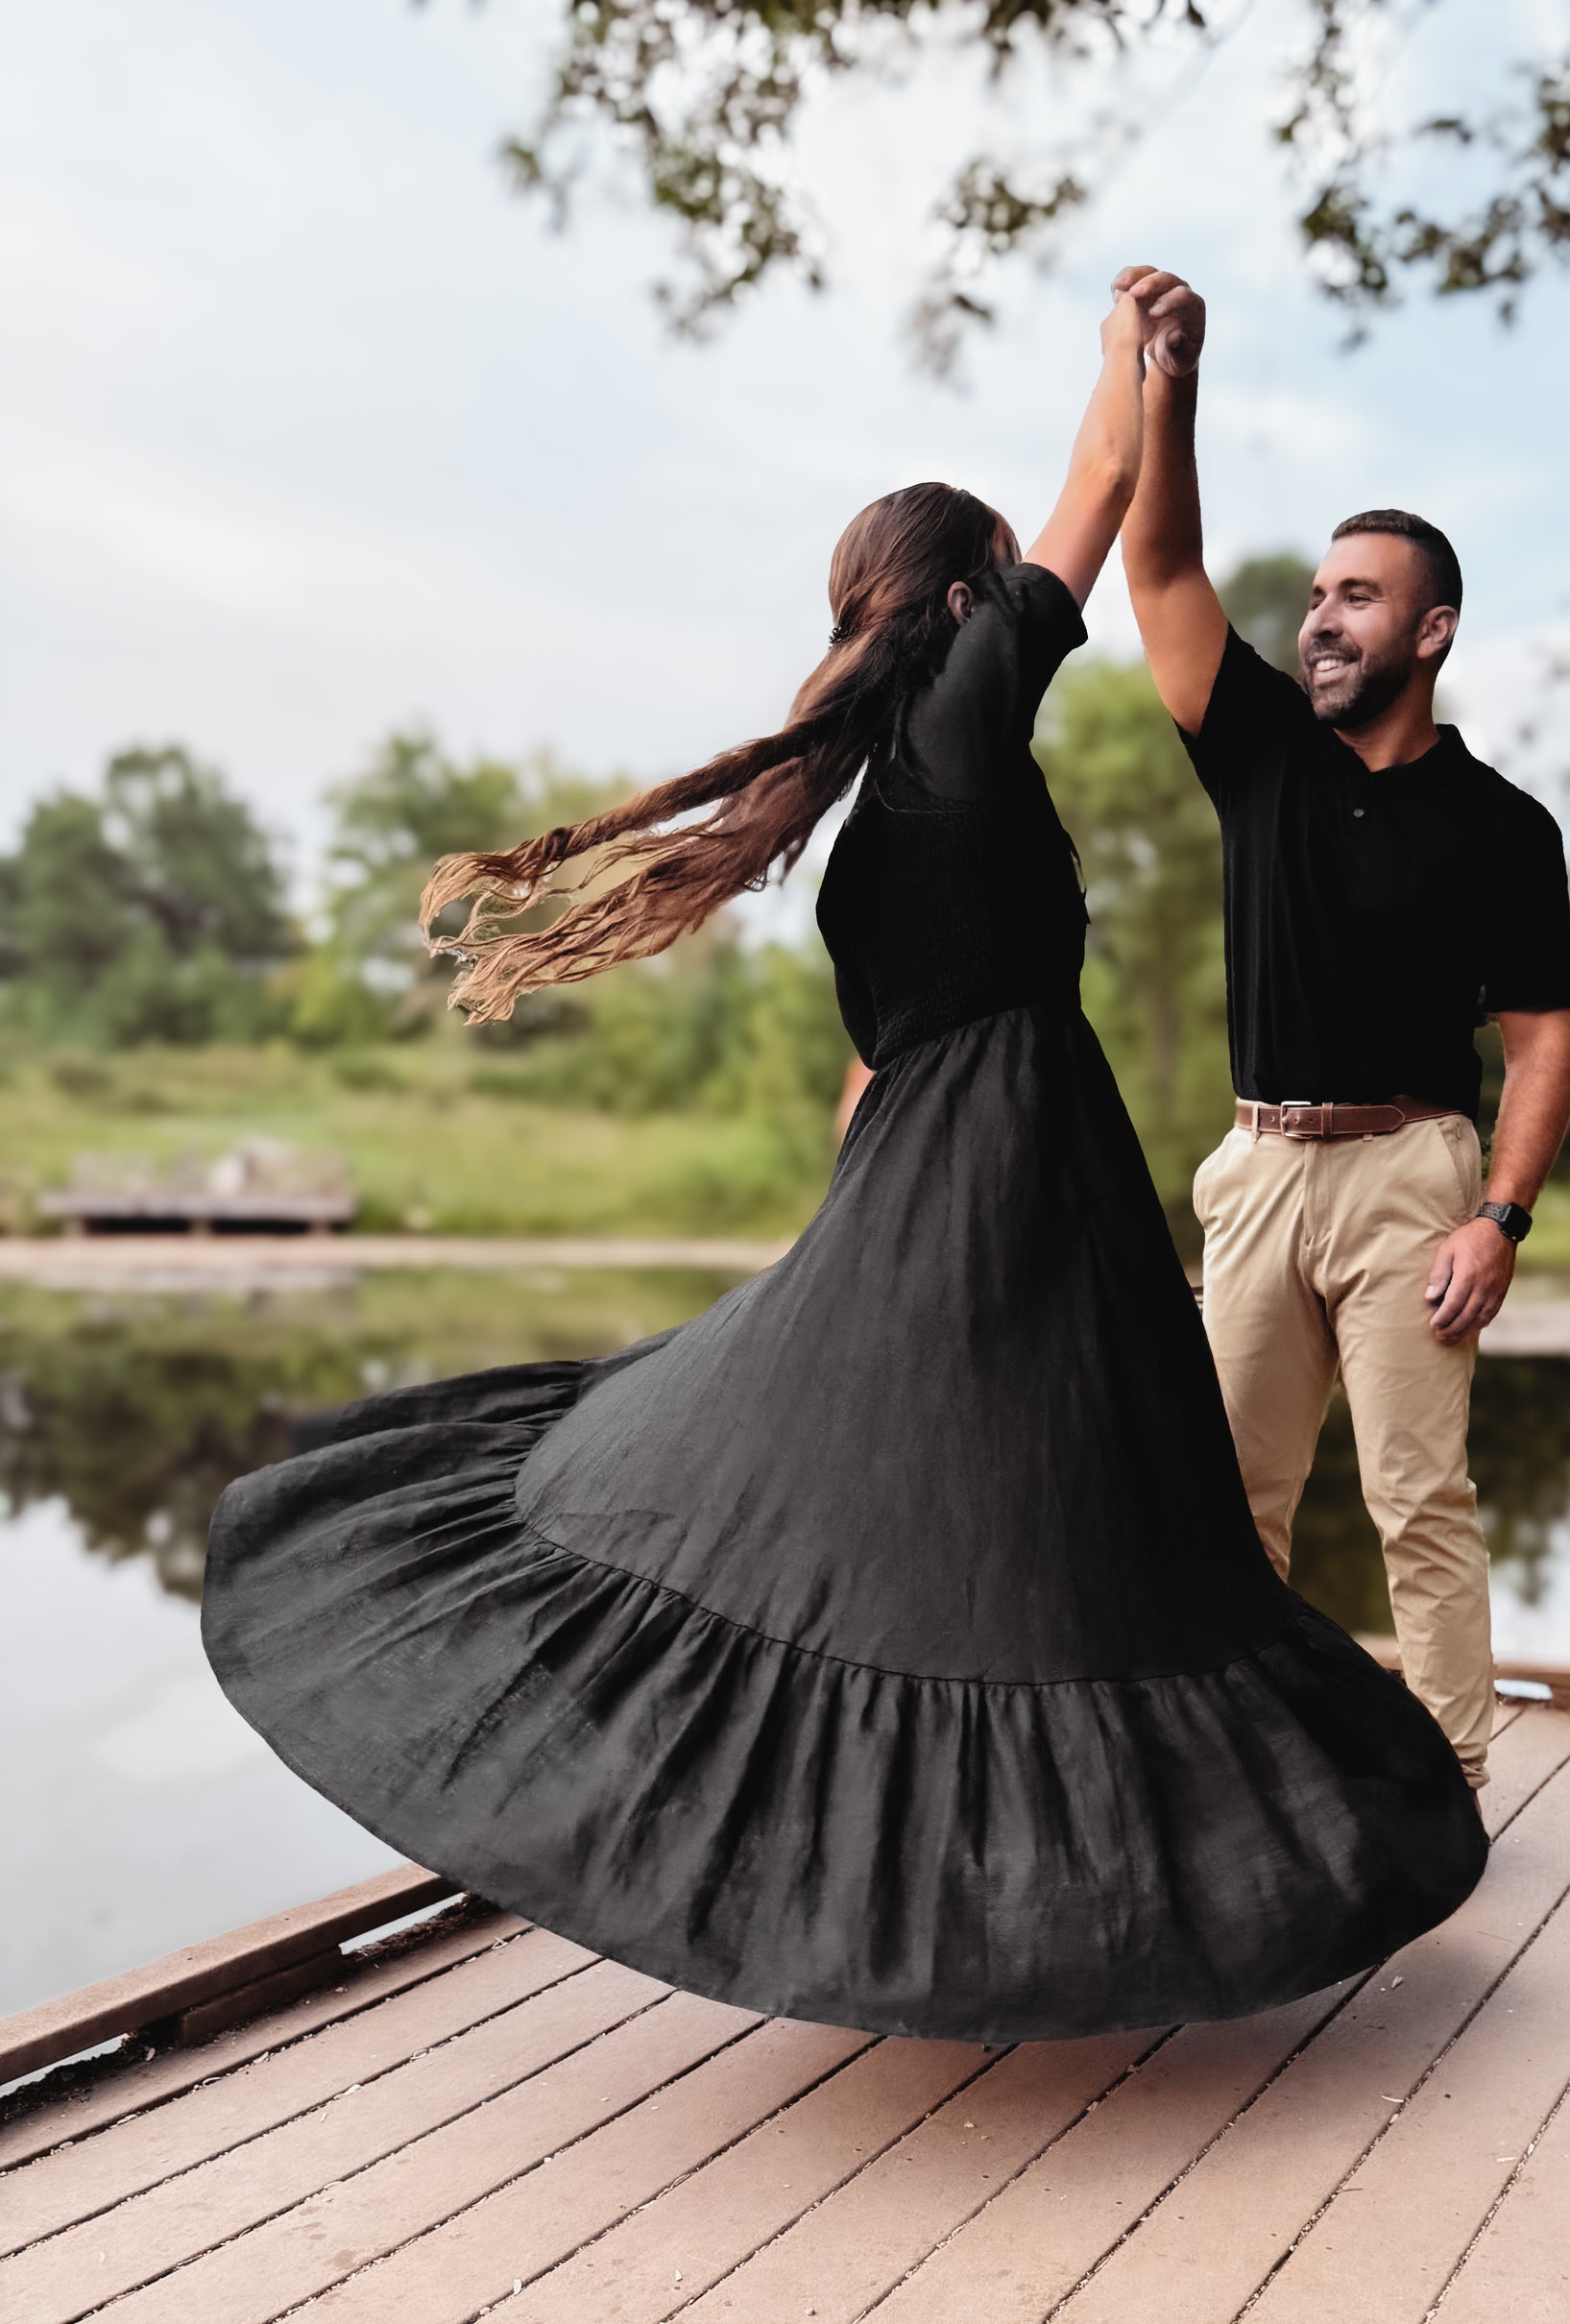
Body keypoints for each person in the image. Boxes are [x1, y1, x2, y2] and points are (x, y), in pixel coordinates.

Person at [204, 285, 1485, 2046]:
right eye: (999, 592)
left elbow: (871, 1064)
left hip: (923, 1175)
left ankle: (959, 1911)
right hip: (1025, 1178)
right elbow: (1096, 501)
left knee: (971, 1549)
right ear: (962, 608)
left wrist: (845, 1264)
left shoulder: (876, 812)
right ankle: (1078, 1904)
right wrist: (1142, 353)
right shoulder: (965, 719)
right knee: (1083, 1541)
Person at [1116, 265, 1570, 1791]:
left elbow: (1536, 1042)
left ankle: (1445, 1789)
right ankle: (1225, 1768)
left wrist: (1498, 1220)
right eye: (1315, 594)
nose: (1319, 617)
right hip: (1256, 1170)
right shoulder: (1257, 751)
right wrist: (1166, 383)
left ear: (1430, 630)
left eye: (1355, 596)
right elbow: (1162, 561)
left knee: (1415, 1502)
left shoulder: (1503, 828)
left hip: (1409, 1181)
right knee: (1226, 1498)